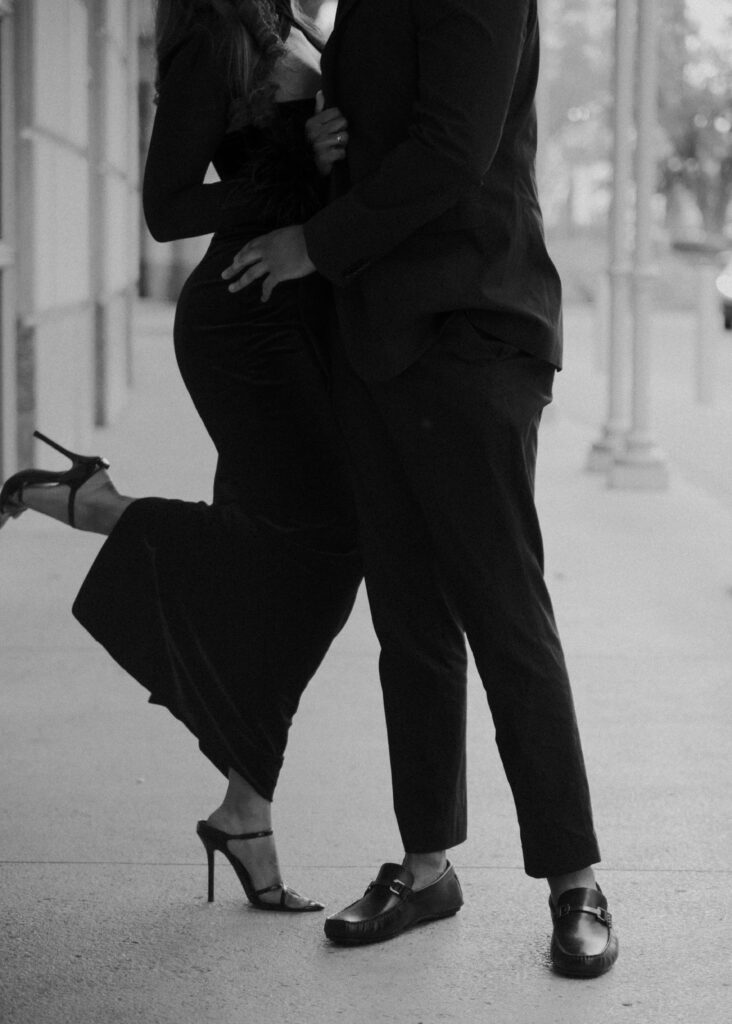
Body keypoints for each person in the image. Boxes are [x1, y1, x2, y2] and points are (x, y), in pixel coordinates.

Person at [220, 0, 619, 975]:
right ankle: (427, 864)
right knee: (408, 617)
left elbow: (452, 151)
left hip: (471, 322)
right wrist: (328, 137)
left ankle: (575, 881)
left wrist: (313, 241)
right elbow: (388, 130)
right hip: (375, 334)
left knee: (504, 610)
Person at [0, 0, 361, 914]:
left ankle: (246, 810)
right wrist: (299, 169)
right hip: (245, 322)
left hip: (296, 322)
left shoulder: (290, 22)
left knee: (287, 556)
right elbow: (167, 209)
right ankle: (97, 504)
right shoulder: (215, 37)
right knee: (328, 547)